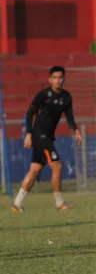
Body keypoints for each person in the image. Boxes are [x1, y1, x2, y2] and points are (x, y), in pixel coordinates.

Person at [11, 66, 81, 212]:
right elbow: (30, 114)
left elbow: (69, 117)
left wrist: (75, 130)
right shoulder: (43, 95)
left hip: (48, 137)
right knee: (57, 166)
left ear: (64, 79)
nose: (57, 80)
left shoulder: (66, 97)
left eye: (60, 77)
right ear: (50, 79)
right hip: (39, 136)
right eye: (54, 78)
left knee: (35, 169)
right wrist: (29, 134)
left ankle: (17, 204)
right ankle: (59, 203)